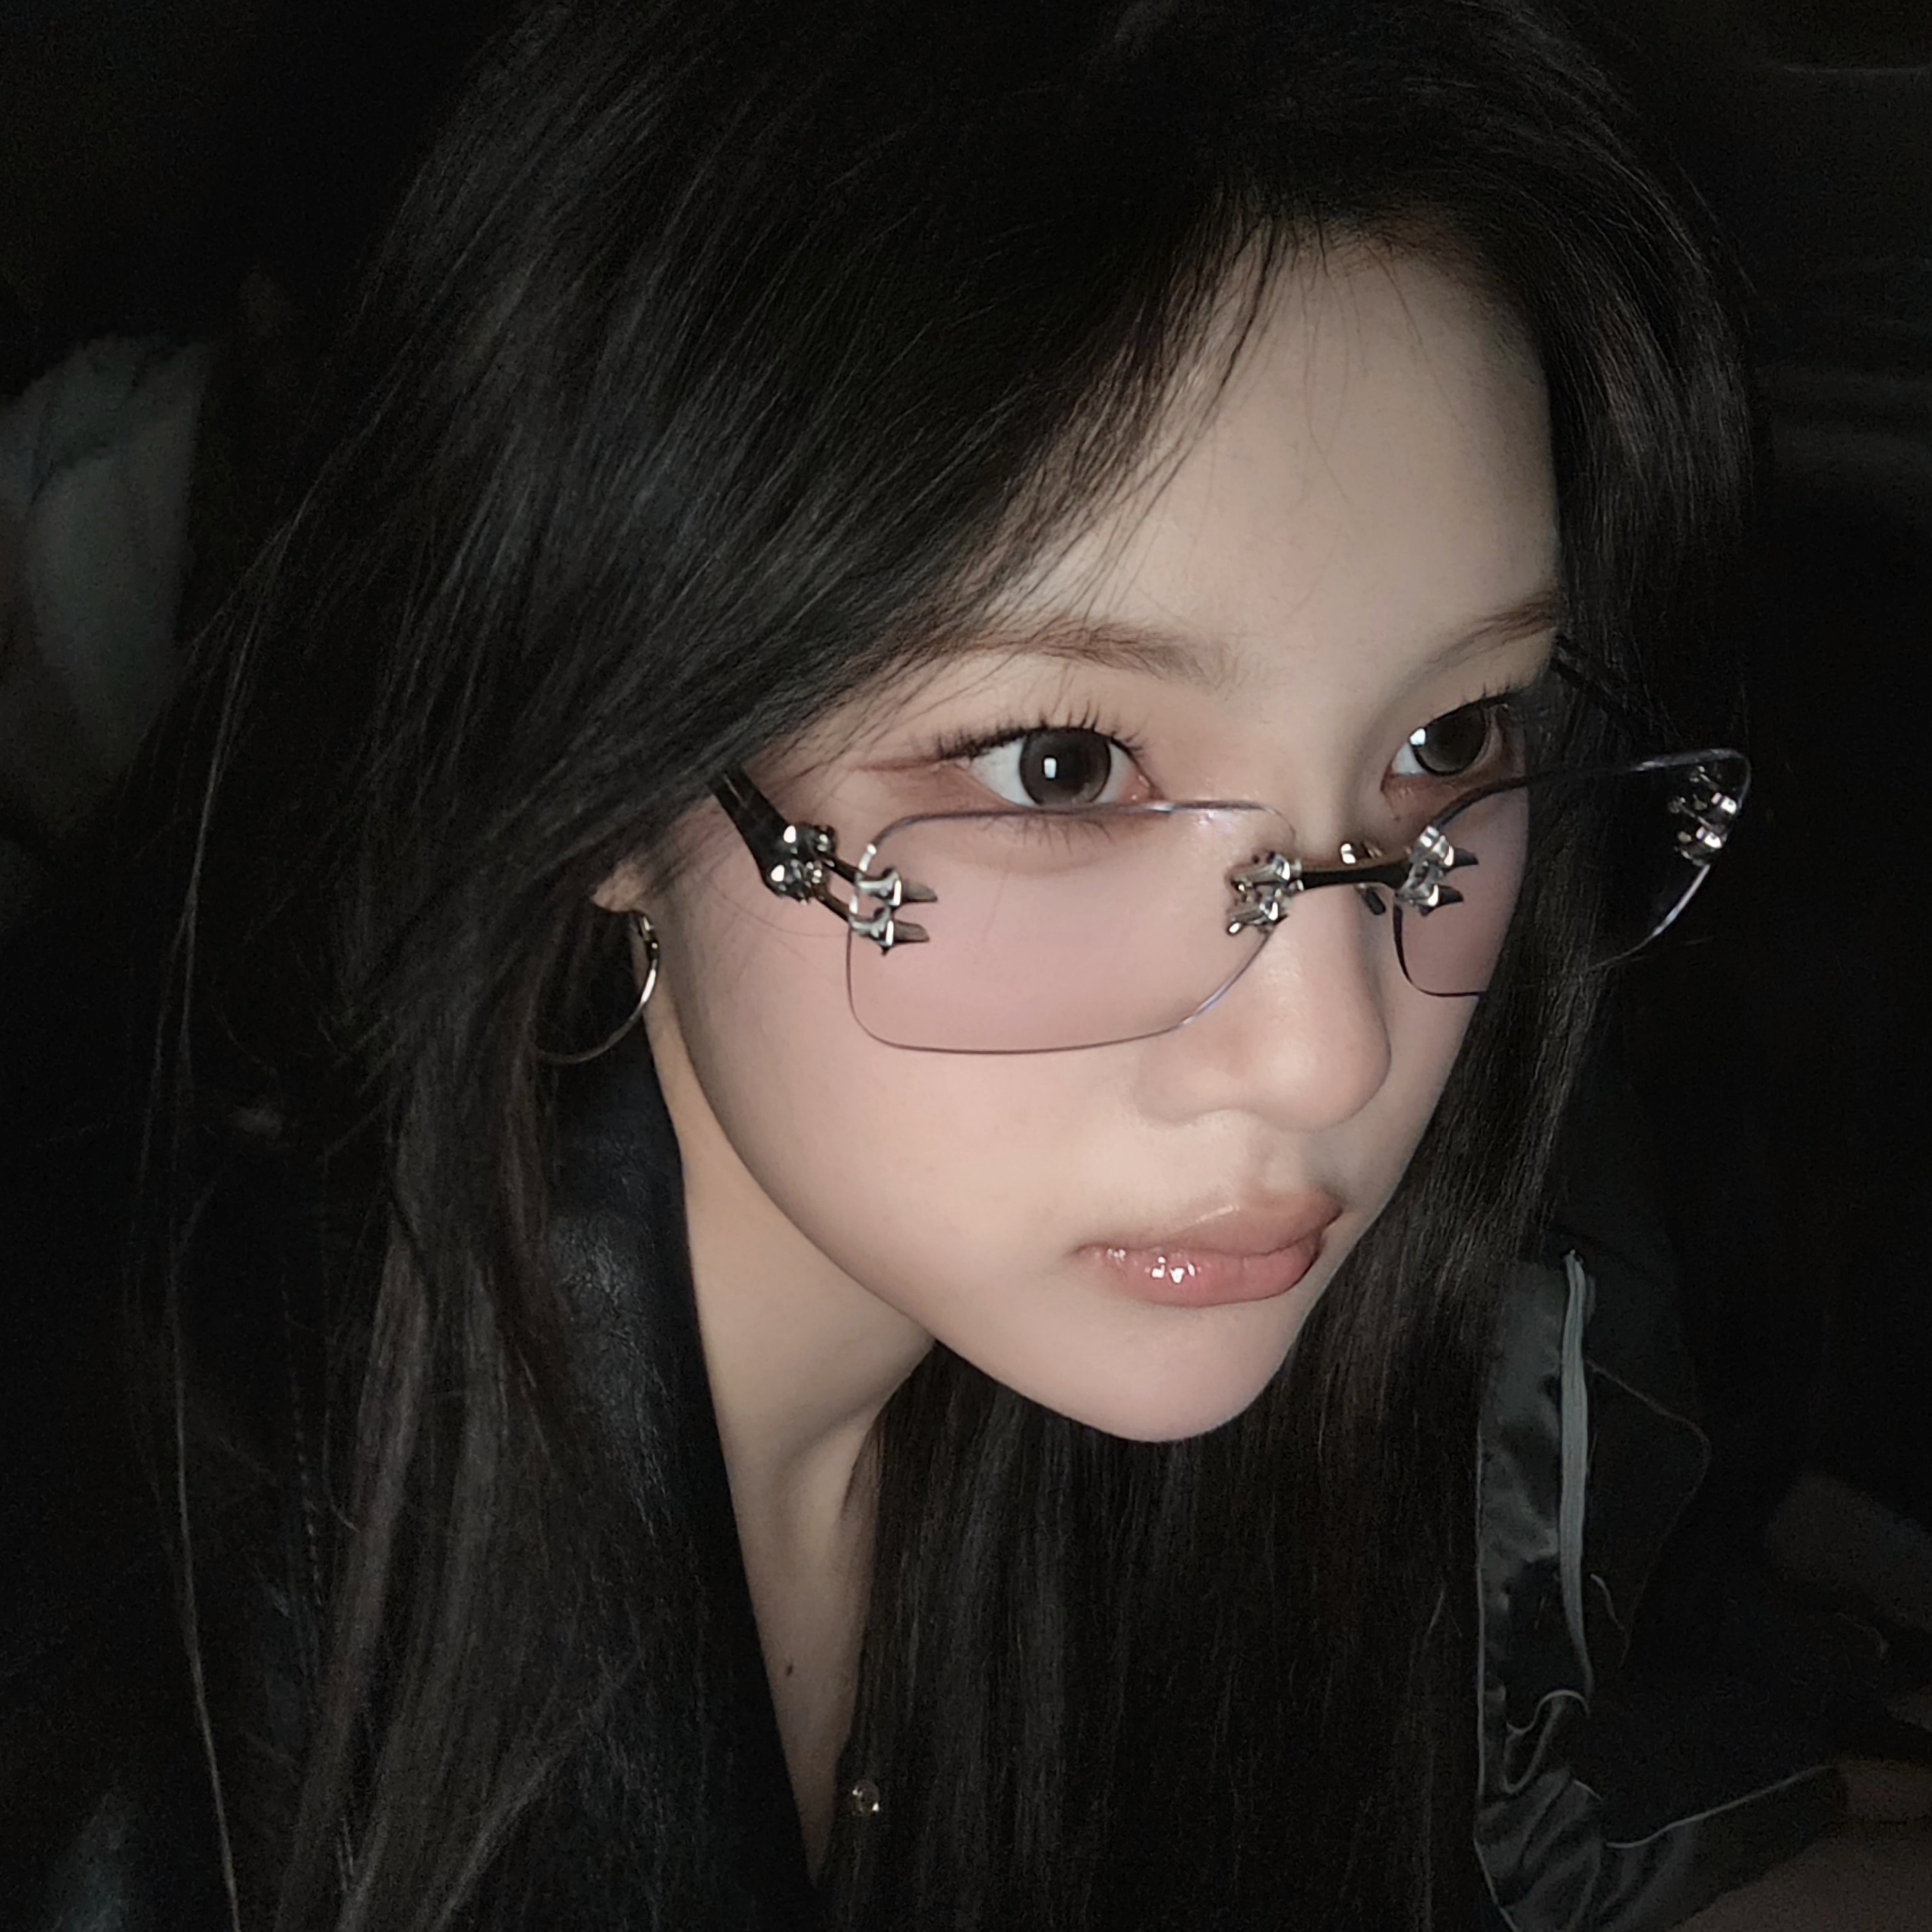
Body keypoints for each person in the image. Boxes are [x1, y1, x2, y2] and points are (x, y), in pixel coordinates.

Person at [0, 1, 1769, 1926]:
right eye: (1061, 768)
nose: (1331, 1050)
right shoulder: (154, 1691)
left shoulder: (1232, 1470)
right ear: (602, 774)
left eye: (1452, 738)